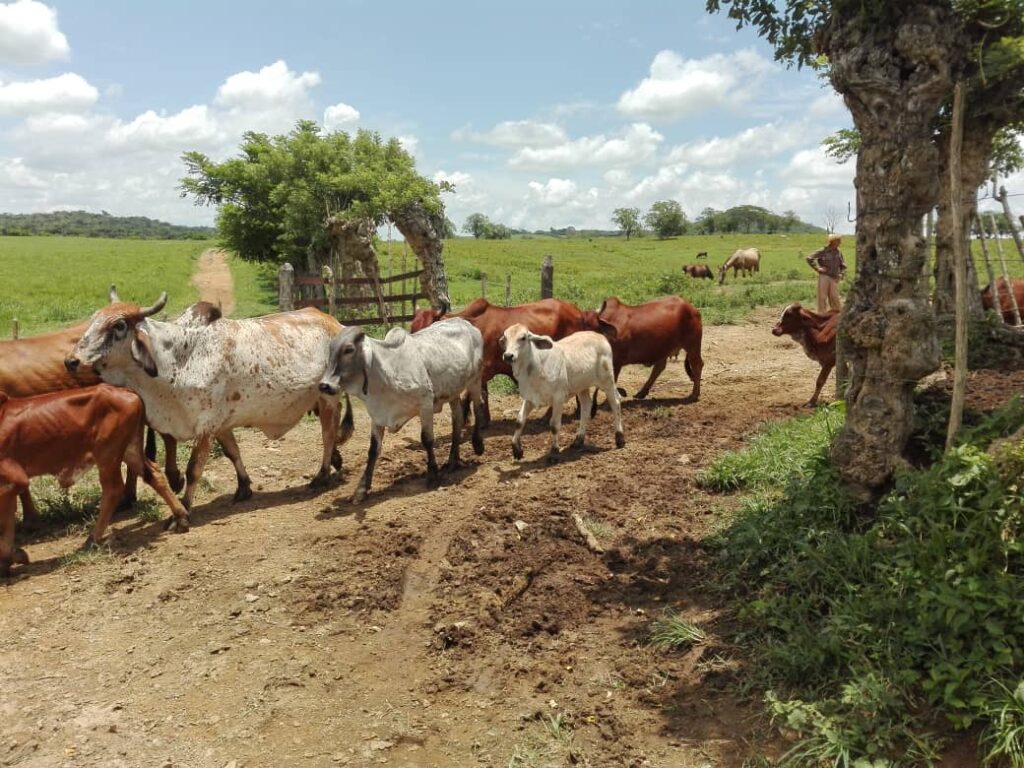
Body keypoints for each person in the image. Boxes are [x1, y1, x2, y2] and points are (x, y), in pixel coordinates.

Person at [806, 234, 846, 312]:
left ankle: (836, 315)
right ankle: (821, 315)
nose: (840, 242)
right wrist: (818, 268)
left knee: (834, 297)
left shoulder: (839, 252)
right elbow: (809, 258)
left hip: (834, 277)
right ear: (833, 241)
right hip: (824, 276)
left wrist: (841, 274)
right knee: (822, 297)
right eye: (838, 241)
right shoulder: (823, 251)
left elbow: (843, 265)